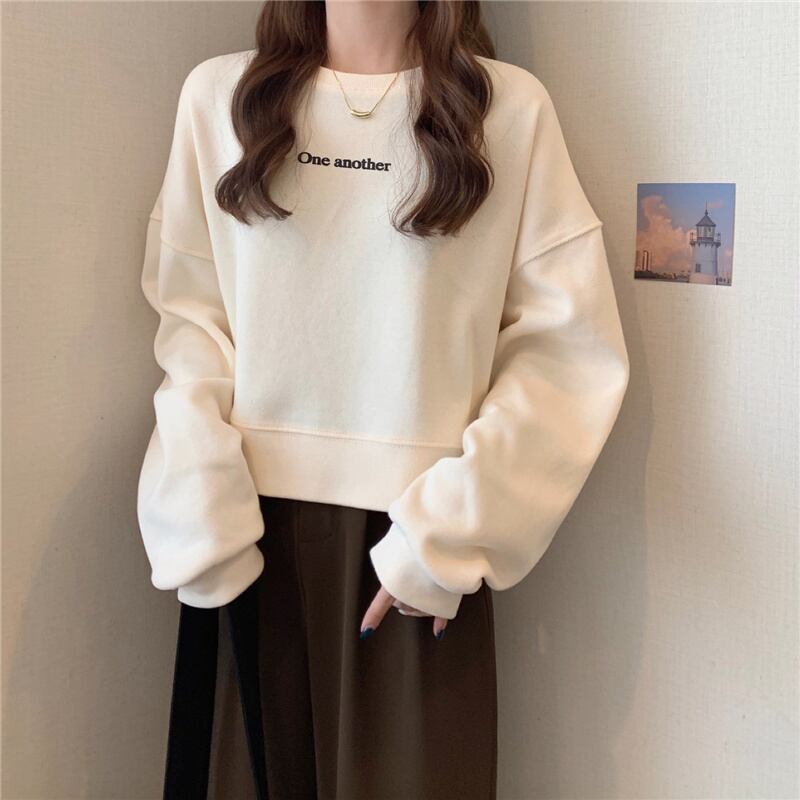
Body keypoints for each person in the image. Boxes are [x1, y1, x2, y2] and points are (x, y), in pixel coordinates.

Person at [135, 1, 630, 798]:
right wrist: (198, 502)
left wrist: (452, 531)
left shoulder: (506, 111)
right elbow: (191, 324)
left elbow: (569, 352)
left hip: (413, 558)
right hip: (243, 541)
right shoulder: (221, 99)